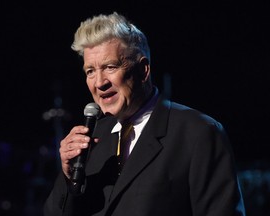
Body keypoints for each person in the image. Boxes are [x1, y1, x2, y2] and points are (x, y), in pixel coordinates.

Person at [43, 12, 246, 216]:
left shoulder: (198, 132)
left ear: (143, 70)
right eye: (90, 71)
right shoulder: (93, 139)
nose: (99, 83)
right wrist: (70, 178)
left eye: (110, 67)